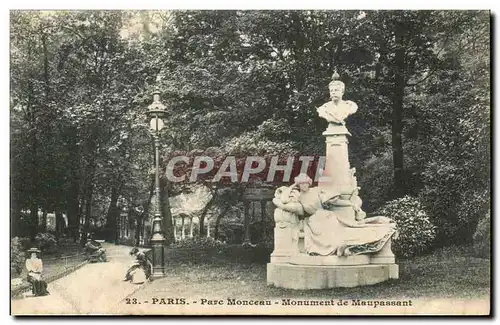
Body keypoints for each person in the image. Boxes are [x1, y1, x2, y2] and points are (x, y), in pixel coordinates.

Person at [273, 173, 397, 256]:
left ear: (309, 183)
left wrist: (351, 204)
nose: (303, 185)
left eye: (305, 183)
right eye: (301, 183)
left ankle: (345, 246)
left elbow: (336, 202)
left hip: (327, 215)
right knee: (325, 231)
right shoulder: (298, 196)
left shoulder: (317, 191)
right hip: (314, 220)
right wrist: (294, 184)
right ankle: (336, 248)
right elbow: (284, 199)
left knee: (339, 229)